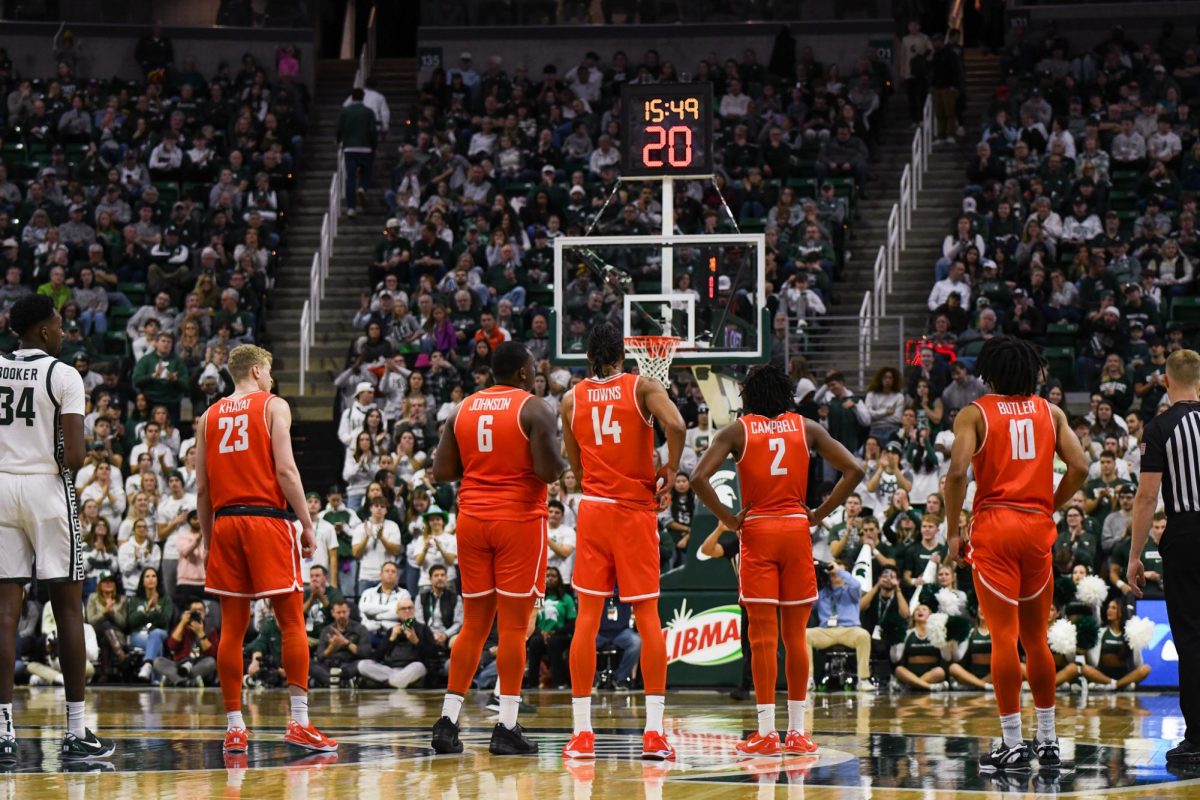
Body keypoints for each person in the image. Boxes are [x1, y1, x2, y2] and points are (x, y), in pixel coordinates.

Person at [691, 364, 863, 756]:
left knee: (762, 638)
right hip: (795, 531)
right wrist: (818, 513)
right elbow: (854, 469)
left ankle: (767, 732)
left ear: (748, 396)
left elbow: (699, 476)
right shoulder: (806, 428)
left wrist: (729, 519)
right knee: (795, 637)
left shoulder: (738, 431)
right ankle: (798, 732)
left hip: (758, 531)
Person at [944, 336, 1089, 771]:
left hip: (996, 526)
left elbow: (955, 475)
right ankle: (1047, 741)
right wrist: (1051, 504)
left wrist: (954, 530)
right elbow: (1080, 467)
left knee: (1003, 637)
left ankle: (1012, 743)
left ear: (989, 373)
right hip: (1036, 528)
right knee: (1036, 638)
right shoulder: (1052, 411)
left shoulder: (975, 413)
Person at [196, 344, 336, 754]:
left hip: (225, 523)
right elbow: (286, 470)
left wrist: (209, 540)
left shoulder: (207, 417)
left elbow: (202, 489)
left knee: (232, 631)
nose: (272, 379)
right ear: (257, 371)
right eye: (269, 372)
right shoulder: (273, 405)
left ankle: (235, 727)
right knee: (292, 621)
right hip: (267, 520)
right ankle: (299, 722)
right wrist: (307, 524)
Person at [559, 324, 686, 761]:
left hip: (593, 511)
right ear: (622, 356)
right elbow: (677, 424)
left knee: (587, 621)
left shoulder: (571, 399)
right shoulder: (643, 385)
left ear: (589, 355)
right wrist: (669, 470)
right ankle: (653, 733)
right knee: (648, 618)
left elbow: (573, 464)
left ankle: (581, 735)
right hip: (633, 512)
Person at [430, 342, 563, 757]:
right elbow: (548, 471)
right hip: (518, 523)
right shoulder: (534, 408)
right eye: (533, 372)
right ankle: (506, 725)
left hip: (471, 522)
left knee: (472, 625)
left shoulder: (462, 409)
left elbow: (441, 472)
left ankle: (448, 721)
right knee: (512, 628)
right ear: (524, 374)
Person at [0, 295, 114, 759]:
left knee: (5, 612)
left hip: (1, 487)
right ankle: (74, 731)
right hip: (47, 489)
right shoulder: (64, 374)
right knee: (68, 606)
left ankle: (3, 731)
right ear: (44, 332)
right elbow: (75, 456)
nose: (64, 333)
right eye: (60, 326)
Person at [1127, 349, 1200, 763]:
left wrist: (1136, 554)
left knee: (1191, 637)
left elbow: (1147, 496)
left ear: (1167, 382)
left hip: (1186, 534)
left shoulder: (1160, 427)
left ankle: (1198, 738)